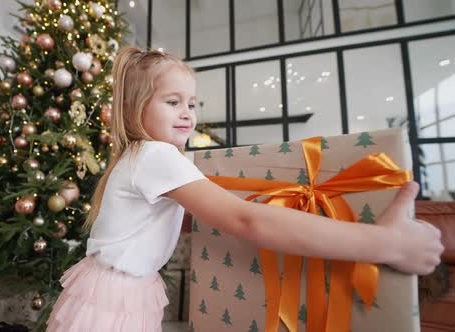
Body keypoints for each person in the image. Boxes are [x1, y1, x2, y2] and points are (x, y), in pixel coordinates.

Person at [45, 47, 444, 331]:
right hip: (116, 299)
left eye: (192, 102)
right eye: (172, 101)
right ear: (136, 108)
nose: (187, 113)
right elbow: (245, 219)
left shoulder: (148, 158)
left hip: (115, 291)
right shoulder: (155, 157)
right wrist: (384, 243)